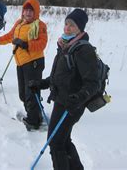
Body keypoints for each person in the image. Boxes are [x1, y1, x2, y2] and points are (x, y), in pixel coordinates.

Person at [29, 9, 99, 169]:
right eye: (66, 24)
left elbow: (92, 83)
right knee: (63, 140)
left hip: (72, 105)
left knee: (55, 143)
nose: (67, 28)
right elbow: (60, 77)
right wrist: (41, 84)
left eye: (72, 25)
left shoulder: (83, 50)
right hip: (62, 101)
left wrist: (78, 98)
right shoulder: (66, 46)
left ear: (80, 28)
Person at [0, 0, 48, 131]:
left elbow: (42, 44)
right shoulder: (19, 23)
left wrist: (26, 44)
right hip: (20, 62)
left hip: (34, 63)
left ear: (36, 12)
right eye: (26, 10)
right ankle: (35, 113)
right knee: (23, 94)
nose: (27, 13)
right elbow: (10, 36)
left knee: (31, 93)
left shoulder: (40, 25)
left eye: (31, 11)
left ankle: (33, 121)